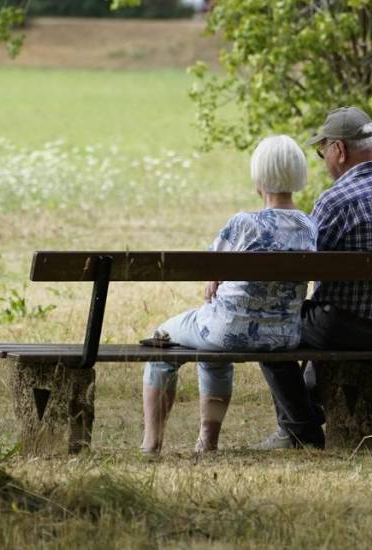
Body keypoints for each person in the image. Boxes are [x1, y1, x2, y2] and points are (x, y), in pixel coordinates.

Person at [254, 107, 372, 450]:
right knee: (319, 317)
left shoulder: (335, 201)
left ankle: (299, 429)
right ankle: (306, 413)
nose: (324, 161)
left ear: (339, 150)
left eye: (323, 153)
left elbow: (301, 267)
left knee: (267, 327)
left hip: (342, 329)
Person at [141, 135, 317, 454]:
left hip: (227, 332)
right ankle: (206, 441)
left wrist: (215, 278)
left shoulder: (244, 223)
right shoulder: (309, 226)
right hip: (283, 336)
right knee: (210, 346)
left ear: (258, 177)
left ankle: (151, 443)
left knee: (161, 338)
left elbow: (209, 268)